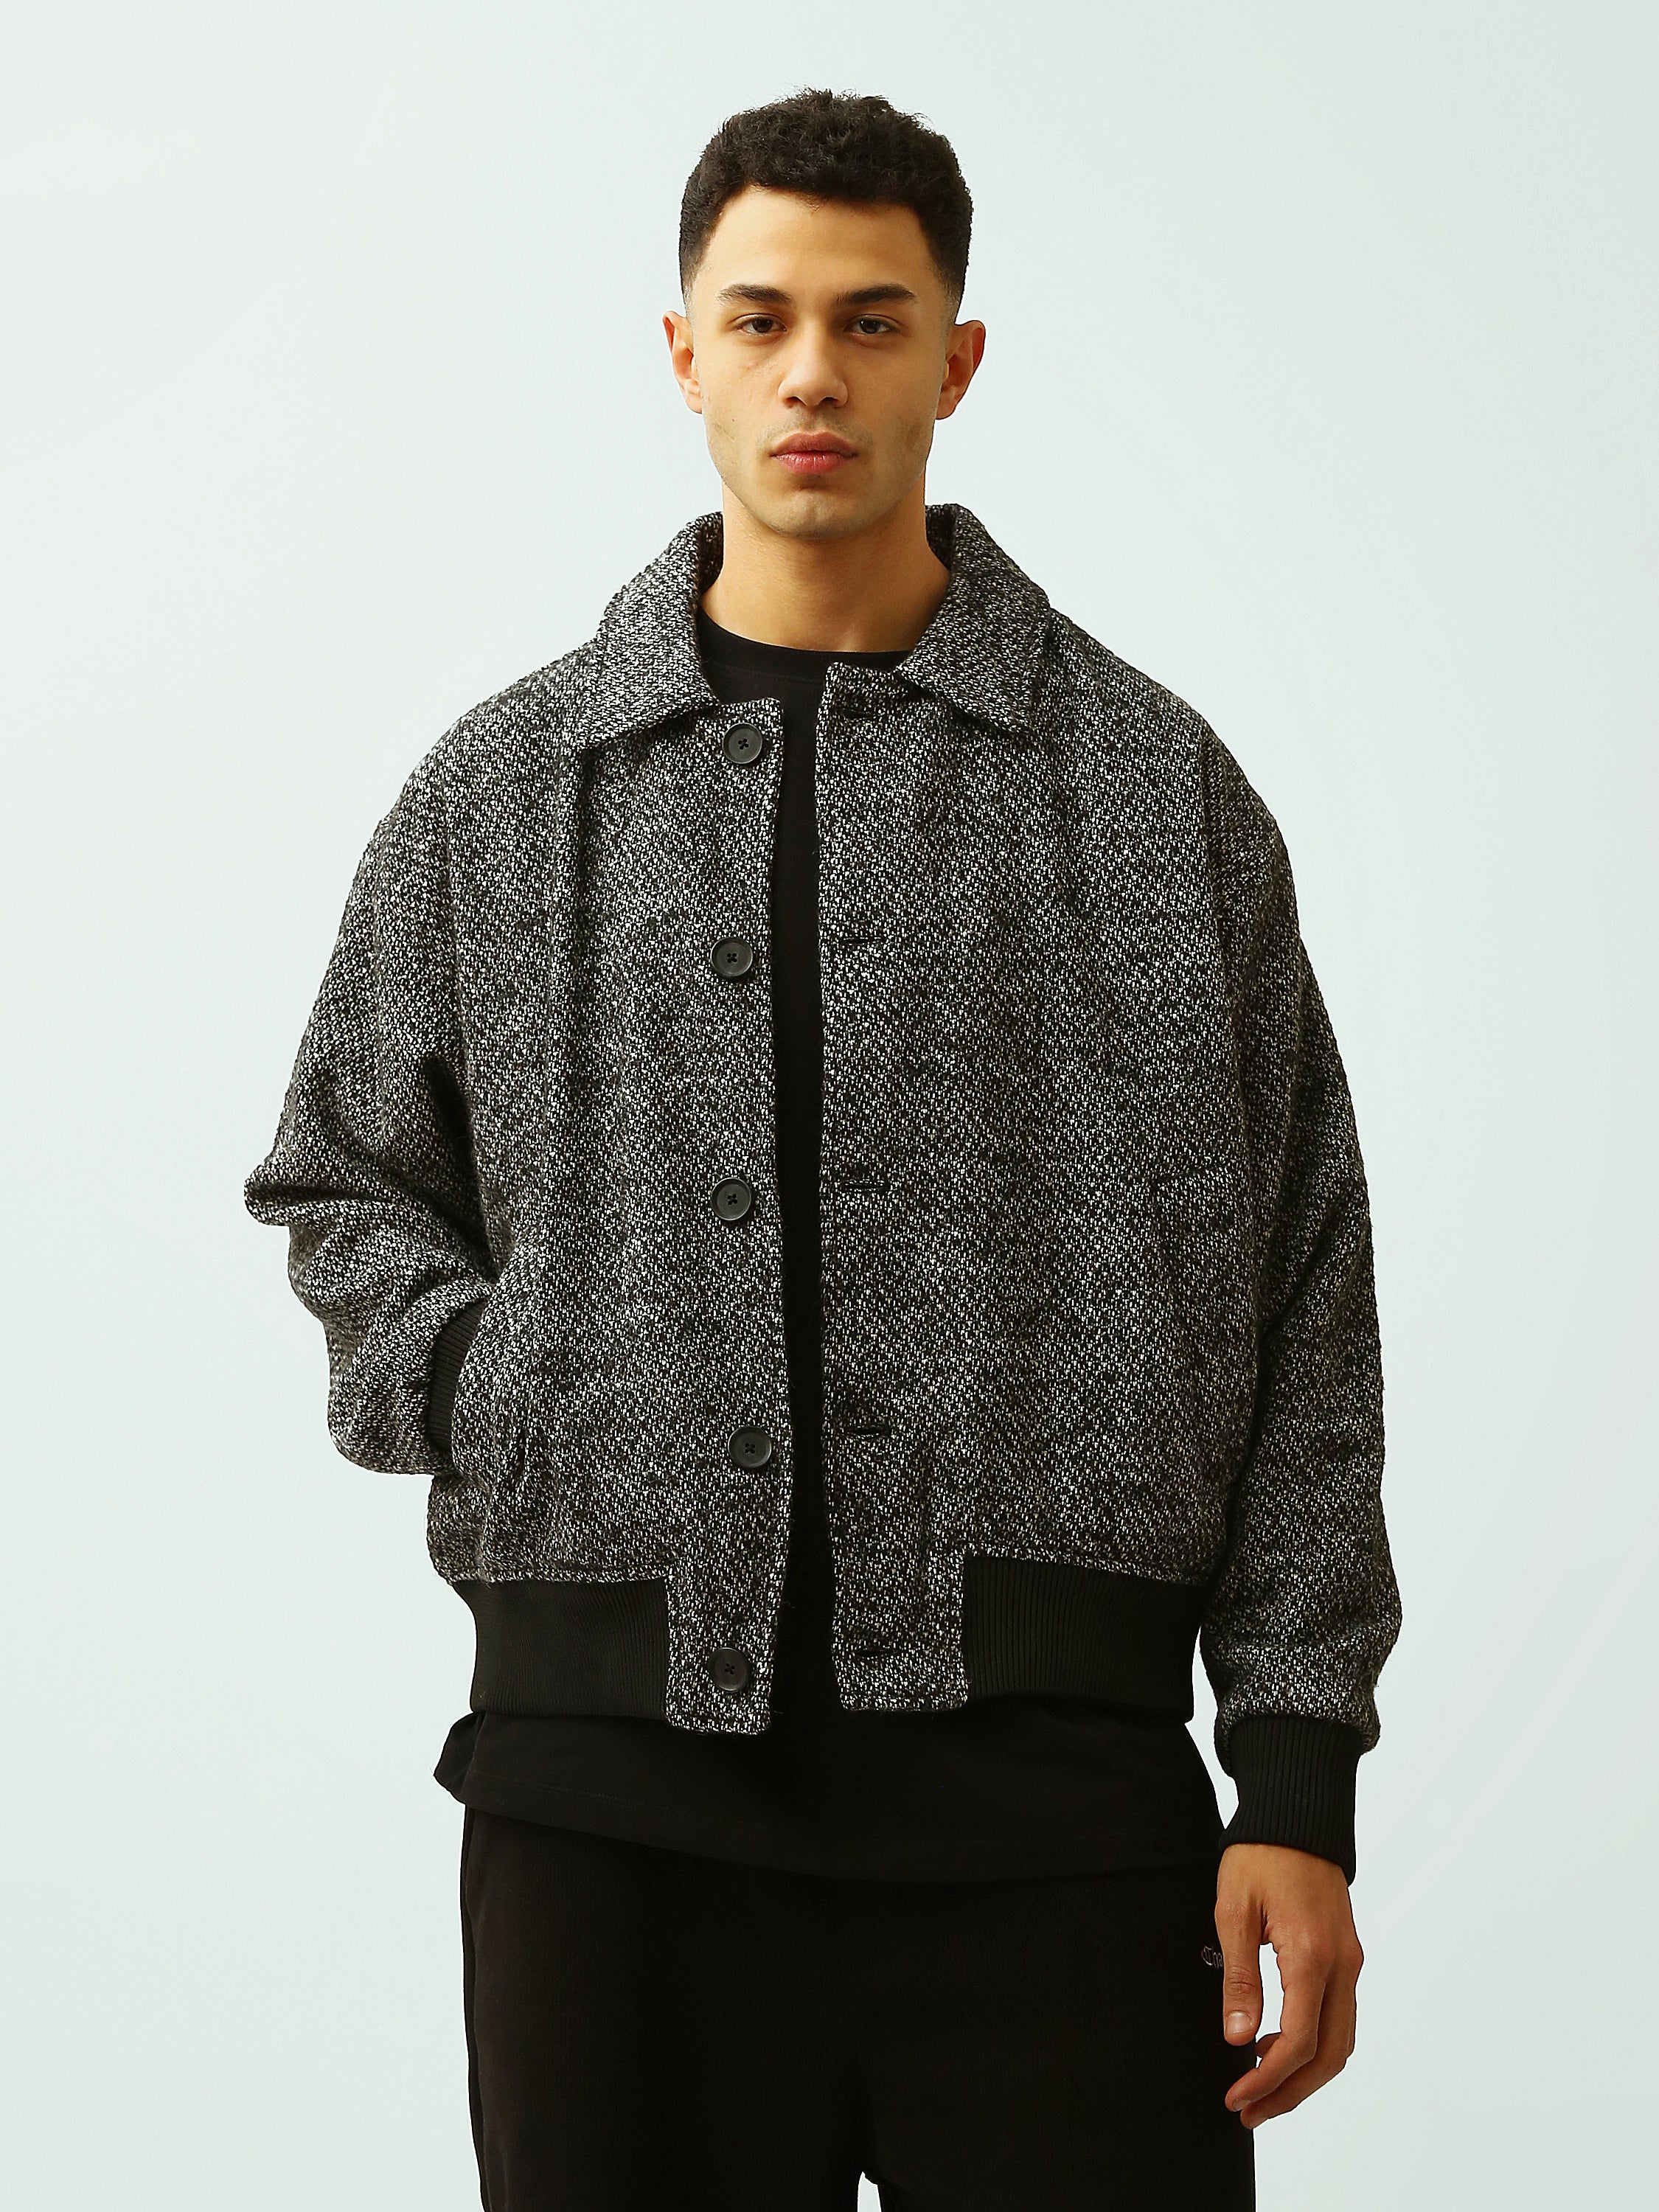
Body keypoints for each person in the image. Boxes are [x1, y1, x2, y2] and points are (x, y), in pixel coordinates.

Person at [244, 86, 1402, 2211]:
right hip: (613, 1830)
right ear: (680, 351)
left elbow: (1304, 1289)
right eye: (761, 318)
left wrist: (1296, 1776)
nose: (812, 374)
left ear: (956, 360)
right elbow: (342, 1179)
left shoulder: (1152, 796)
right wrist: (513, 1391)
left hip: (1064, 1831)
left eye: (872, 321)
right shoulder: (506, 793)